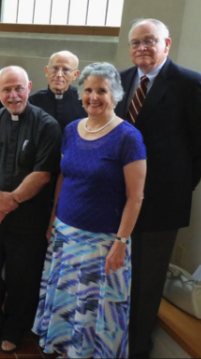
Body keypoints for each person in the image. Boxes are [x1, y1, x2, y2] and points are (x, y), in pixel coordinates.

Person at [32, 62, 147, 359]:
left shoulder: (128, 137)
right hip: (65, 234)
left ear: (116, 95)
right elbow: (63, 177)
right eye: (88, 90)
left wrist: (120, 242)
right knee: (67, 302)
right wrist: (53, 218)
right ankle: (64, 350)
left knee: (96, 312)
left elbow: (136, 197)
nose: (93, 97)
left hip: (103, 242)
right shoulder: (71, 130)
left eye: (101, 91)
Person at [113, 18, 201, 358]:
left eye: (150, 41)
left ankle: (135, 348)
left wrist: (176, 186)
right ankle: (111, 340)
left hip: (162, 203)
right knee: (116, 274)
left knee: (146, 281)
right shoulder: (119, 81)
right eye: (135, 42)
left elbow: (198, 149)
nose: (141, 48)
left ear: (166, 45)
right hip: (117, 199)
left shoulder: (189, 84)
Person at [0, 66, 61, 353]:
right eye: (6, 89)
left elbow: (43, 173)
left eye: (18, 88)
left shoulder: (47, 125)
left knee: (23, 278)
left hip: (28, 219)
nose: (13, 94)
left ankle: (14, 329)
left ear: (29, 86)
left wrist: (10, 203)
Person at [29, 51, 87, 131]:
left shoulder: (84, 101)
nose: (59, 75)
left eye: (66, 70)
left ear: (75, 75)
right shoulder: (33, 102)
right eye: (55, 69)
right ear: (47, 71)